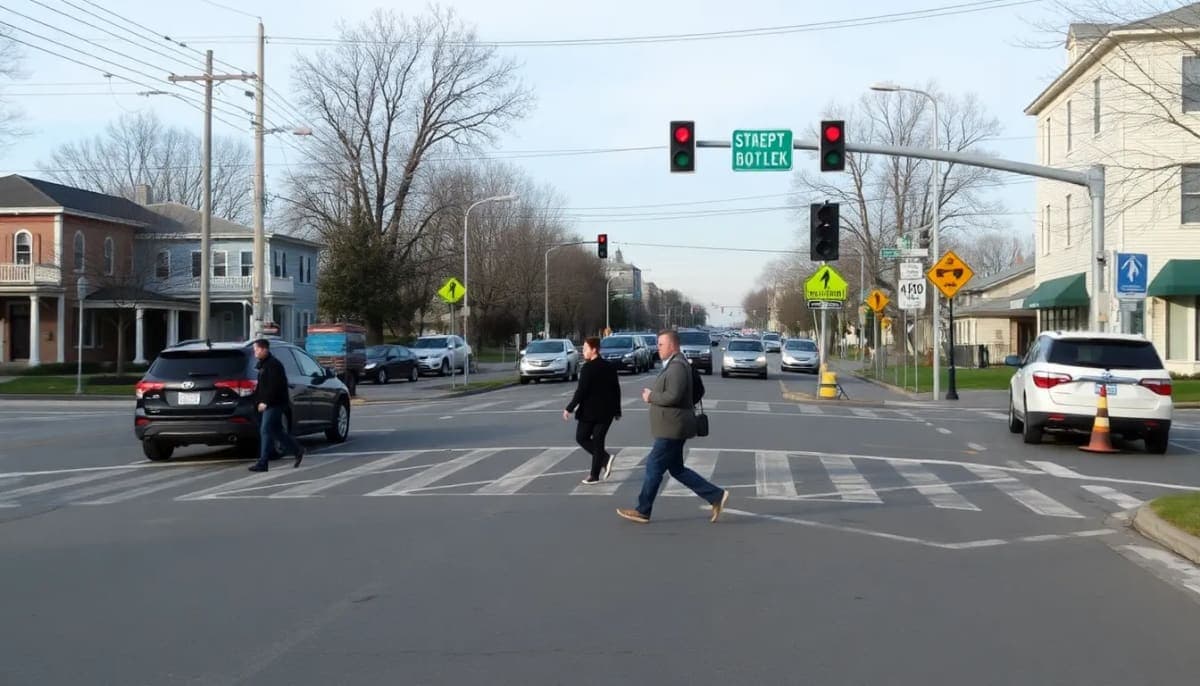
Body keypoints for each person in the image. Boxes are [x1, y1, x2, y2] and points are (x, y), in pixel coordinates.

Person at [617, 329, 728, 524]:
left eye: (661, 344)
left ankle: (643, 510)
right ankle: (715, 495)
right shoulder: (676, 364)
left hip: (672, 427)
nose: (658, 348)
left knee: (653, 466)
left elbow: (673, 395)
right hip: (674, 424)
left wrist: (651, 397)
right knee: (677, 469)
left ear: (673, 345)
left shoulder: (677, 366)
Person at [563, 337, 622, 484]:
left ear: (594, 349)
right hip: (606, 412)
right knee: (595, 441)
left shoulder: (588, 368)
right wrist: (617, 410)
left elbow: (581, 391)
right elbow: (617, 390)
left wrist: (569, 408)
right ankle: (602, 463)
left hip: (590, 412)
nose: (583, 352)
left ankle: (597, 470)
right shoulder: (609, 366)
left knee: (584, 438)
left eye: (585, 349)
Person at [249, 338, 305, 472]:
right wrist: (256, 401)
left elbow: (274, 387)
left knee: (265, 430)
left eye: (256, 350)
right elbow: (261, 387)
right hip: (268, 403)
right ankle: (297, 450)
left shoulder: (273, 365)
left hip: (275, 403)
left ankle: (263, 463)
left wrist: (266, 402)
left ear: (264, 349)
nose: (254, 353)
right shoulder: (263, 364)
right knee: (277, 431)